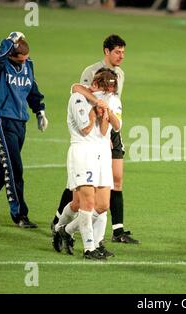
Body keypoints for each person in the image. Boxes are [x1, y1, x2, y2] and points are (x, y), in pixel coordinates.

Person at [51, 34, 139, 244]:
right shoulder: (91, 72)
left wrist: (109, 129)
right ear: (106, 51)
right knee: (80, 189)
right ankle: (59, 222)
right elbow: (81, 95)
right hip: (91, 136)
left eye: (123, 52)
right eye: (117, 52)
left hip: (109, 130)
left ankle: (117, 230)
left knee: (116, 179)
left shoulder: (121, 74)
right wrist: (98, 117)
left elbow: (114, 101)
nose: (121, 56)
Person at [0, 32, 48, 228]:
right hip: (2, 121)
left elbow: (32, 90)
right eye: (20, 59)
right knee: (14, 168)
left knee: (4, 167)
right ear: (11, 55)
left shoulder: (28, 65)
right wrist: (9, 40)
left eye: (25, 59)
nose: (23, 62)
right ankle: (20, 215)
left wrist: (40, 111)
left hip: (20, 123)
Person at [56, 69, 120, 260]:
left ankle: (64, 230)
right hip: (83, 152)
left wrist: (106, 110)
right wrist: (94, 109)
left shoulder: (111, 100)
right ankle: (89, 248)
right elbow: (85, 129)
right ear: (97, 84)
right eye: (106, 88)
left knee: (101, 205)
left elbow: (115, 126)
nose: (109, 93)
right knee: (86, 203)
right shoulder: (79, 97)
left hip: (102, 154)